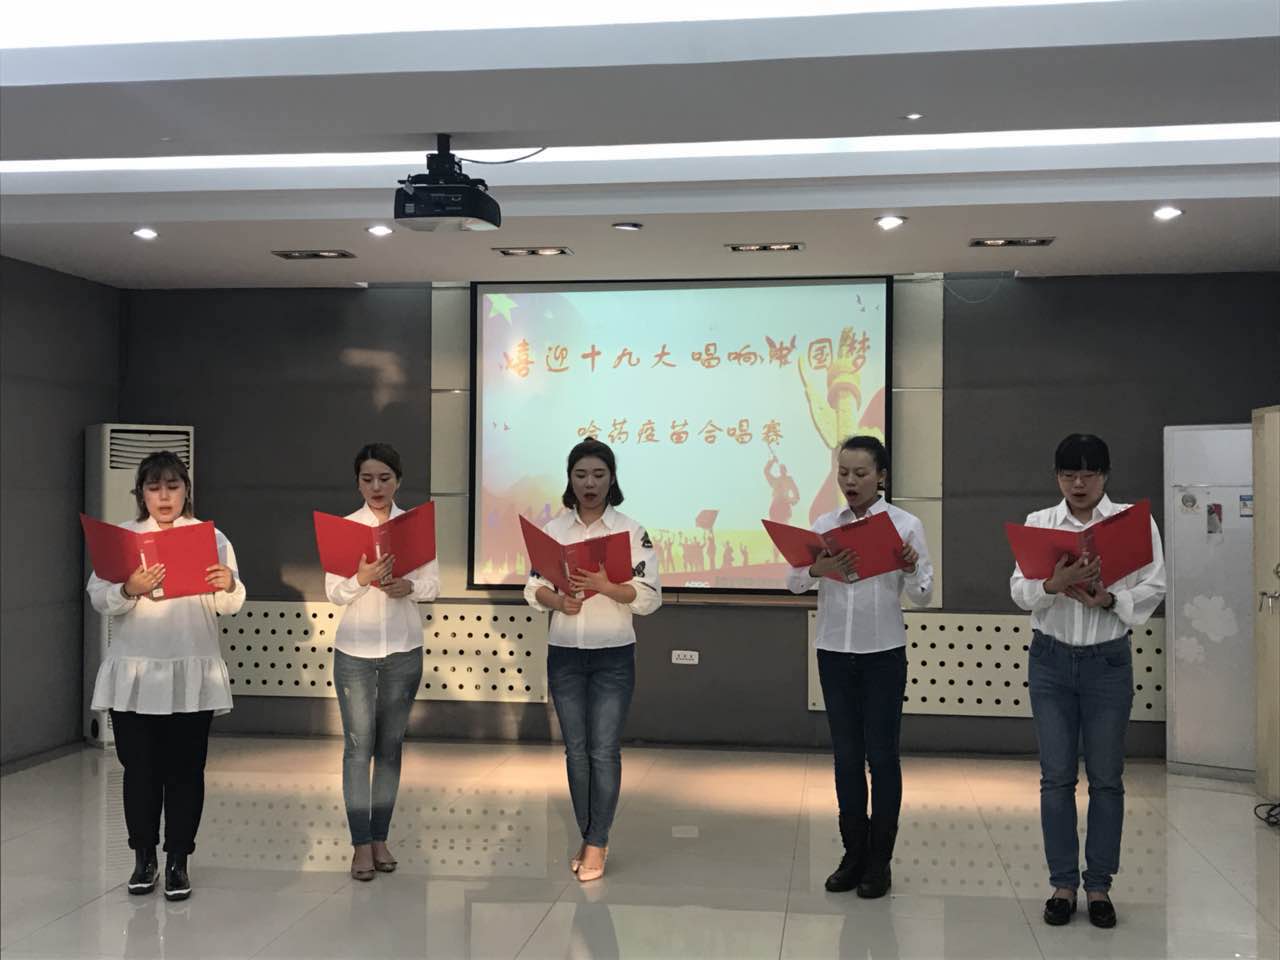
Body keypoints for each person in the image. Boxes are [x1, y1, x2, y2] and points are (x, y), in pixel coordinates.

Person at [1011, 434, 1165, 929]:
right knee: (1056, 777)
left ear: (1105, 475)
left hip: (1107, 663)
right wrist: (1051, 585)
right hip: (1051, 662)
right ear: (1057, 477)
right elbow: (1019, 590)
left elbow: (1156, 585)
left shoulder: (1131, 523)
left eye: (1089, 474)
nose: (1078, 484)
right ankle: (1062, 885)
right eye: (1068, 474)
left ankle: (1099, 886)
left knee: (1106, 778)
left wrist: (1111, 600)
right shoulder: (1041, 522)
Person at [87, 451, 245, 902]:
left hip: (191, 669)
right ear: (141, 493)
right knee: (139, 770)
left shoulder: (212, 538)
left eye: (173, 486)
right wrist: (129, 588)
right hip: (135, 672)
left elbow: (231, 603)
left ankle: (178, 860)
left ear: (186, 490)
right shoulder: (124, 538)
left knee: (186, 771)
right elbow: (99, 596)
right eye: (154, 487)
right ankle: (144, 858)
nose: (164, 496)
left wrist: (227, 584)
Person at [786, 435, 932, 898]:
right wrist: (818, 568)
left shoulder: (905, 525)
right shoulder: (824, 524)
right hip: (833, 650)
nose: (850, 481)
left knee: (882, 758)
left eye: (861, 473)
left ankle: (879, 861)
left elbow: (924, 594)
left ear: (881, 476)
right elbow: (794, 582)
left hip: (883, 653)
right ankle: (852, 854)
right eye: (843, 473)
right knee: (846, 757)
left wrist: (910, 567)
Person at [524, 438, 661, 882]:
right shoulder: (554, 530)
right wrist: (557, 601)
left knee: (603, 750)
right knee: (576, 751)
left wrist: (606, 586)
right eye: (581, 475)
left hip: (612, 655)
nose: (590, 483)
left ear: (611, 479)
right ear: (570, 479)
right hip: (564, 654)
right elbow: (533, 588)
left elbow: (649, 598)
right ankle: (590, 835)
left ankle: (597, 841)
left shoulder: (631, 532)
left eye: (599, 475)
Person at [326, 443, 440, 881]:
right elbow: (334, 592)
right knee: (358, 749)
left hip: (403, 651)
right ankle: (360, 843)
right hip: (355, 652)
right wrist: (361, 580)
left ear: (398, 481)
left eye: (384, 478)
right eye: (367, 479)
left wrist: (409, 587)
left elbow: (433, 584)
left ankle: (380, 838)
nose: (376, 486)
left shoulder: (414, 527)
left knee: (390, 747)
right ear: (357, 483)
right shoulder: (345, 529)